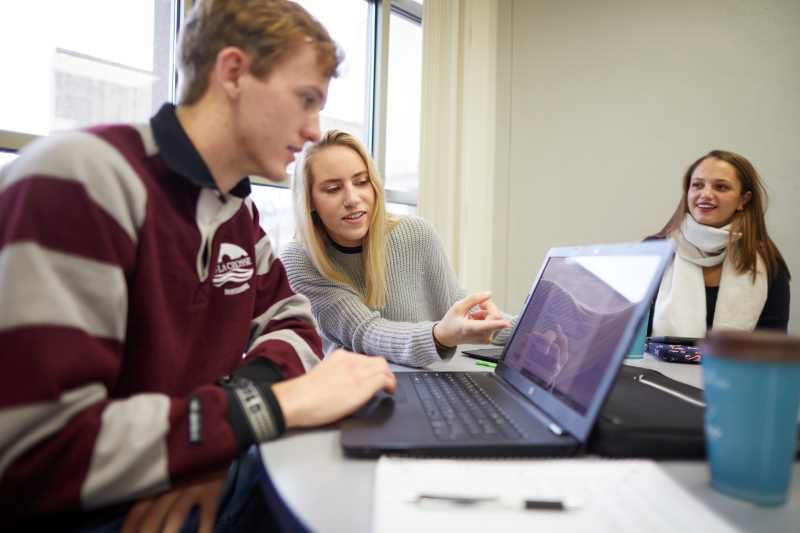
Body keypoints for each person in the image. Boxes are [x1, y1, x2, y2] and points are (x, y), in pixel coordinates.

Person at [0, 1, 395, 531]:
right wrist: (258, 413)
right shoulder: (82, 177)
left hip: (188, 467)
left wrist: (211, 442)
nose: (311, 131)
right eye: (305, 100)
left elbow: (295, 327)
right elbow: (37, 448)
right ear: (232, 72)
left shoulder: (237, 213)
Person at [280, 130, 513, 368]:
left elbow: (454, 301)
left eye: (361, 182)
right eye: (332, 189)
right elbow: (366, 332)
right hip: (356, 392)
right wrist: (439, 335)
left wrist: (532, 333)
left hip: (427, 380)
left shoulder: (416, 233)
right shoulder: (300, 260)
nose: (352, 198)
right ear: (309, 201)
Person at [648, 149, 791, 338]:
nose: (705, 194)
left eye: (721, 187)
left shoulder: (768, 262)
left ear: (743, 200)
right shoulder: (653, 251)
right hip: (656, 367)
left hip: (738, 368)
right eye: (697, 185)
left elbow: (772, 348)